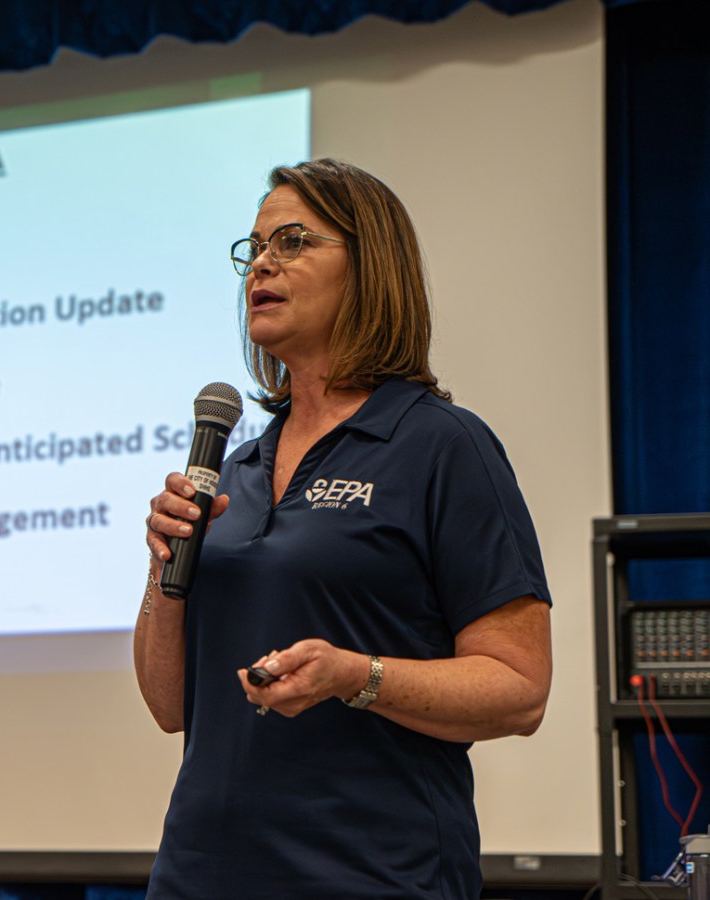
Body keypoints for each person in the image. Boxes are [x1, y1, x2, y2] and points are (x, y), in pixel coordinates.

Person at [135, 158, 552, 899]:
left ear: (370, 268)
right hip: (200, 875)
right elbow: (171, 707)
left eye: (292, 241)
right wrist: (160, 569)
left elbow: (519, 689)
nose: (262, 263)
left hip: (373, 876)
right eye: (254, 247)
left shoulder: (441, 445)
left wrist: (356, 676)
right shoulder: (236, 469)